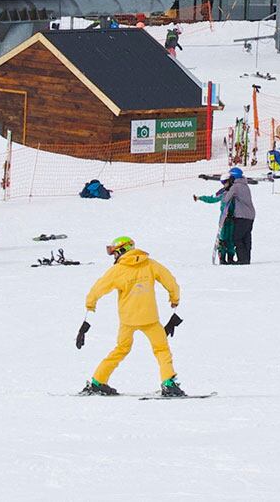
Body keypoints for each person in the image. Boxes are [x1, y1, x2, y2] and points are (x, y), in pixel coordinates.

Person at [79, 236, 184, 397]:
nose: (114, 257)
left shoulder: (117, 270)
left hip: (128, 320)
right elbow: (170, 280)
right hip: (150, 319)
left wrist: (90, 305)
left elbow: (97, 288)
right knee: (162, 350)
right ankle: (169, 383)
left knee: (121, 349)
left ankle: (98, 381)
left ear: (122, 251)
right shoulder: (150, 264)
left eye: (115, 254)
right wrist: (174, 298)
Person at [198, 167, 259, 264]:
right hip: (248, 216)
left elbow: (225, 199)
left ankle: (240, 259)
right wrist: (201, 198)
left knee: (236, 238)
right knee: (244, 237)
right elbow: (214, 198)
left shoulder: (235, 187)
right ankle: (242, 258)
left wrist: (225, 192)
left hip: (239, 217)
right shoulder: (245, 185)